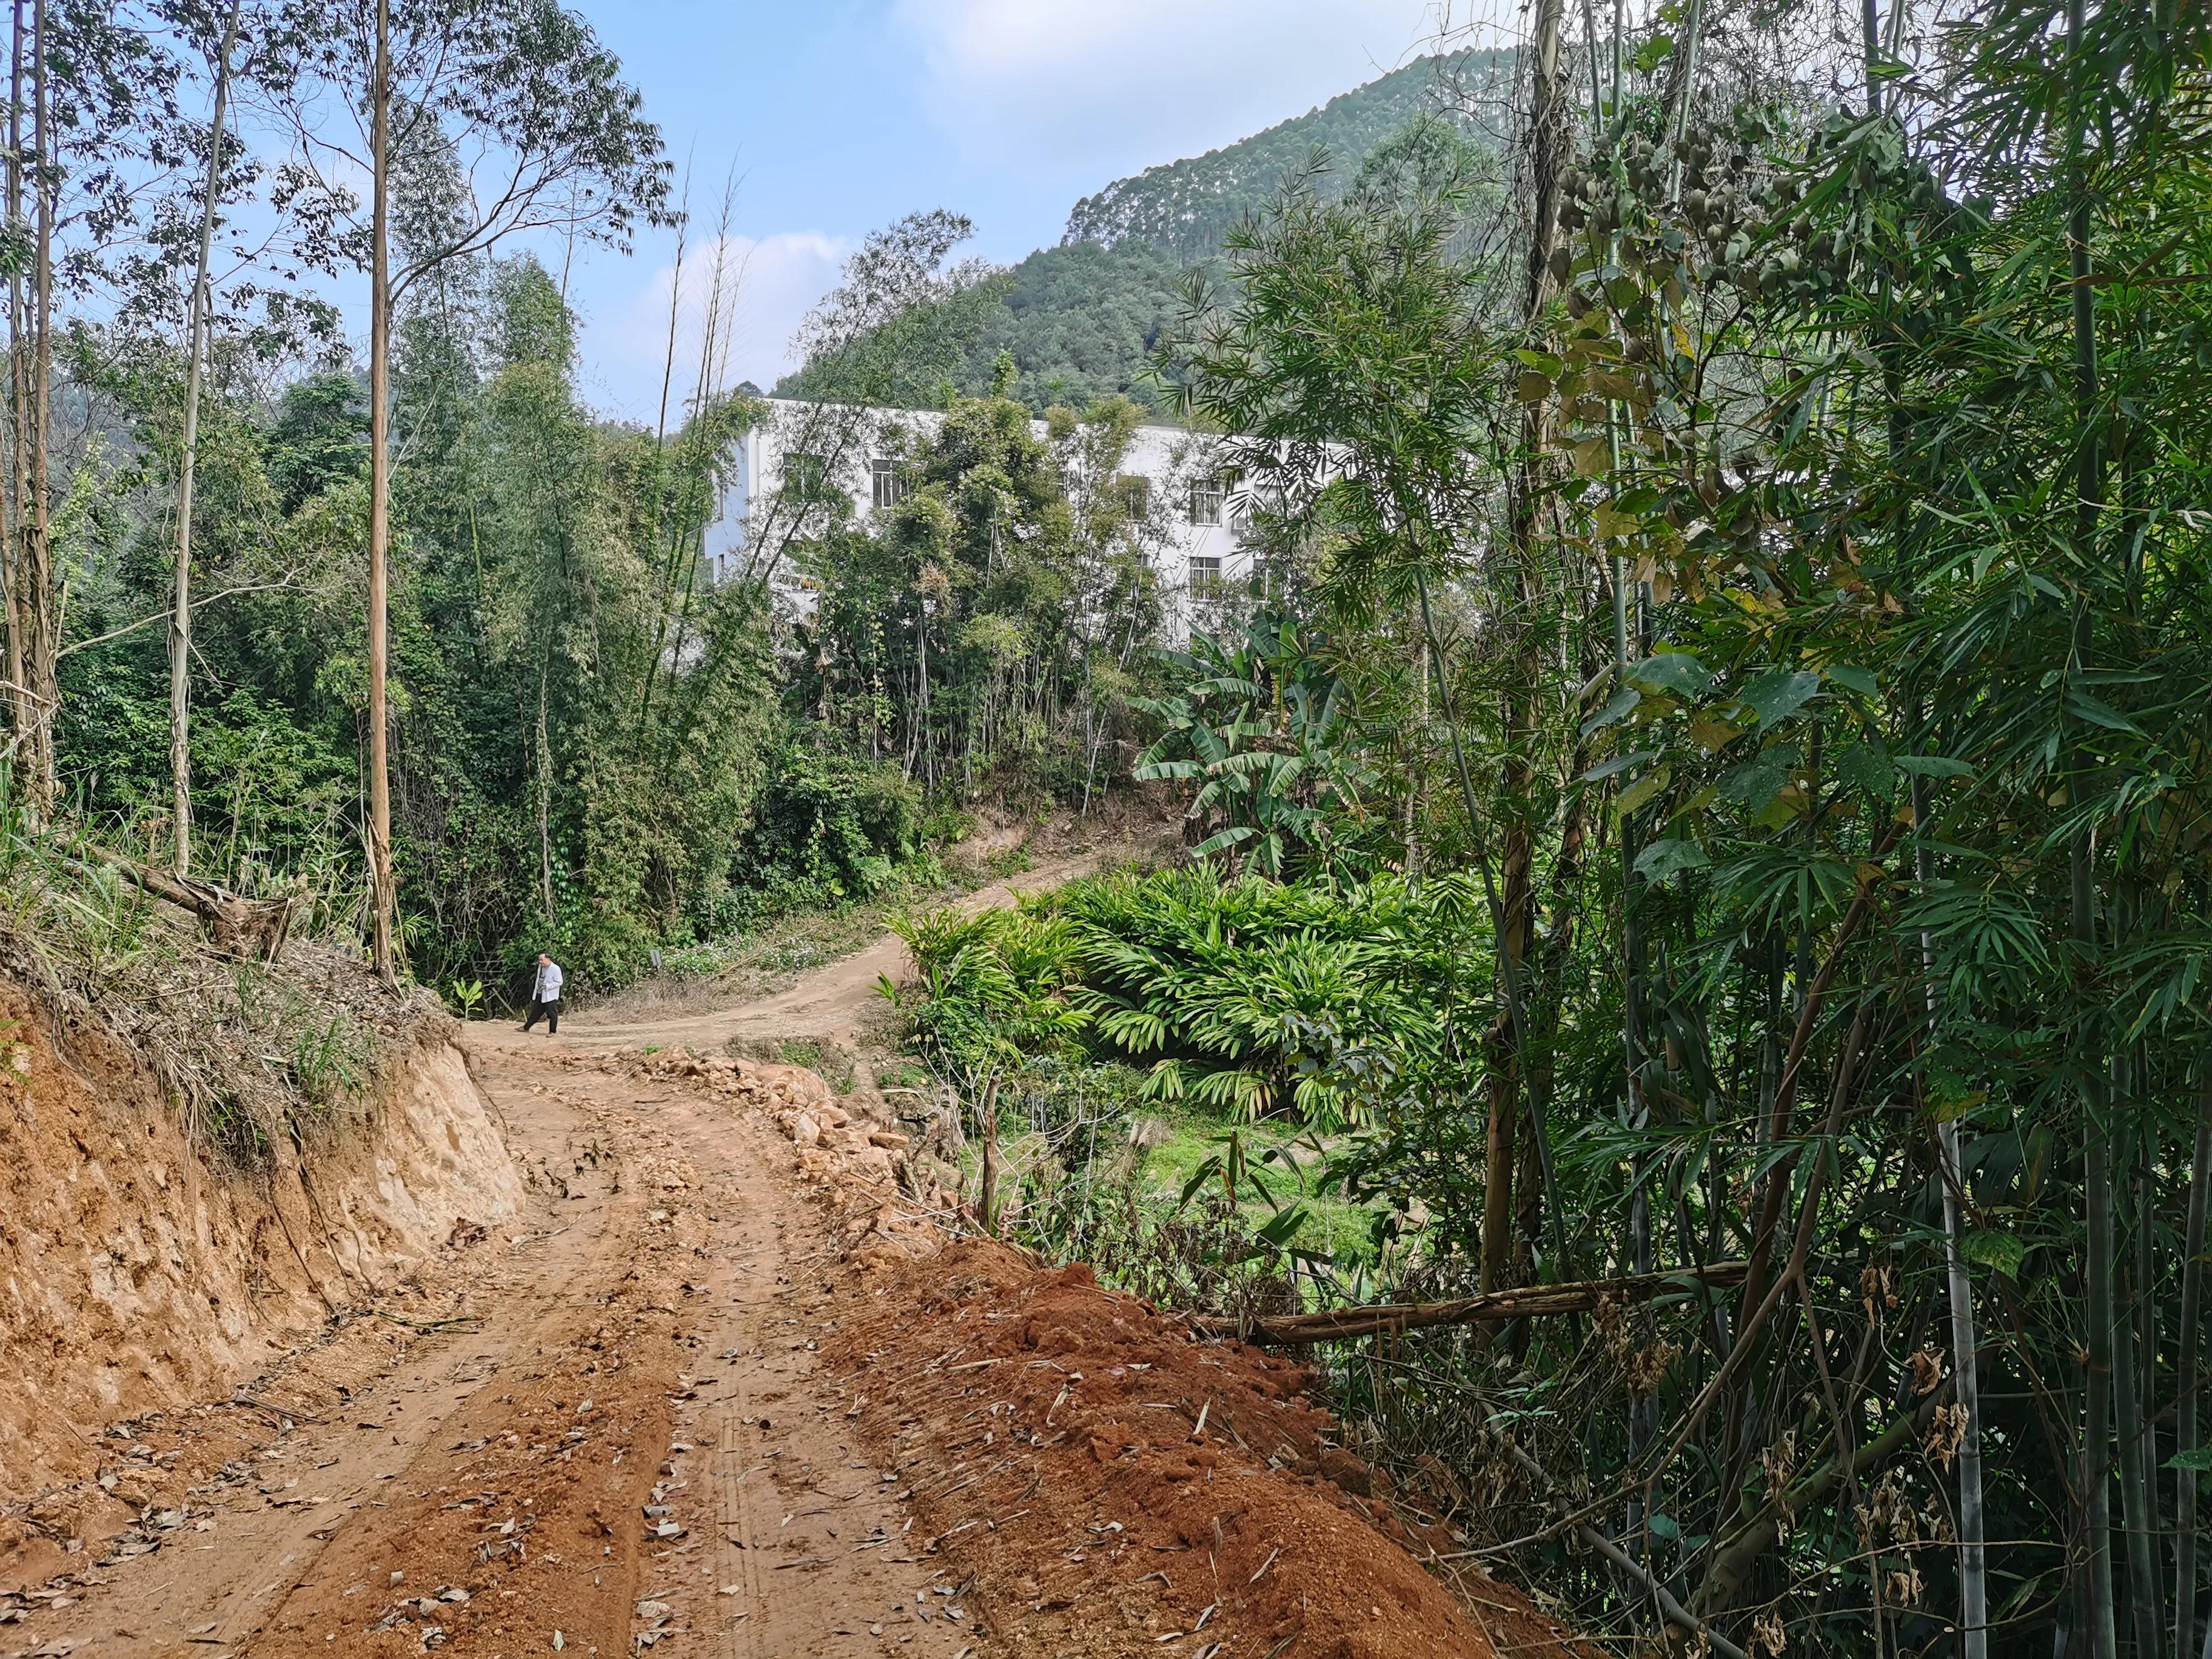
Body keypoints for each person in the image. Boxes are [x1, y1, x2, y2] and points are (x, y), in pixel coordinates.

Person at [522, 953, 565, 1034]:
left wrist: (548, 986)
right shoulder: (541, 968)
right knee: (536, 1012)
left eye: (541, 960)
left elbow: (559, 982)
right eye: (539, 960)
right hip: (541, 993)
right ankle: (526, 1028)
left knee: (552, 1014)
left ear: (548, 959)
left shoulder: (555, 969)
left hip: (550, 995)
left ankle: (552, 1031)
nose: (540, 962)